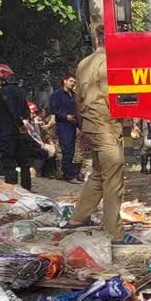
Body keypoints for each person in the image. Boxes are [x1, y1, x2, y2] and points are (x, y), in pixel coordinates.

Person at [65, 47, 124, 237]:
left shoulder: (84, 63)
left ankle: (77, 218)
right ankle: (114, 233)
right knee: (113, 176)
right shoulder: (107, 63)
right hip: (105, 126)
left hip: (91, 125)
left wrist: (83, 128)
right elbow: (114, 98)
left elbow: (78, 99)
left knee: (99, 173)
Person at [0, 63, 39, 190]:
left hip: (8, 132)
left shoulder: (6, 91)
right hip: (19, 132)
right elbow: (26, 111)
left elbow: (12, 110)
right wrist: (23, 127)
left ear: (2, 77)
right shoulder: (19, 90)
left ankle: (12, 190)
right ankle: (26, 189)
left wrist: (19, 124)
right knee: (24, 162)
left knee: (8, 162)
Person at [48, 74, 80, 182]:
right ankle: (69, 175)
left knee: (71, 150)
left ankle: (67, 173)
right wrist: (65, 116)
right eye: (71, 81)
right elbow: (53, 109)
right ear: (64, 81)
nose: (73, 83)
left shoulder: (74, 95)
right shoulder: (57, 95)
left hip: (73, 125)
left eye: (74, 82)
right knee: (66, 149)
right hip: (63, 125)